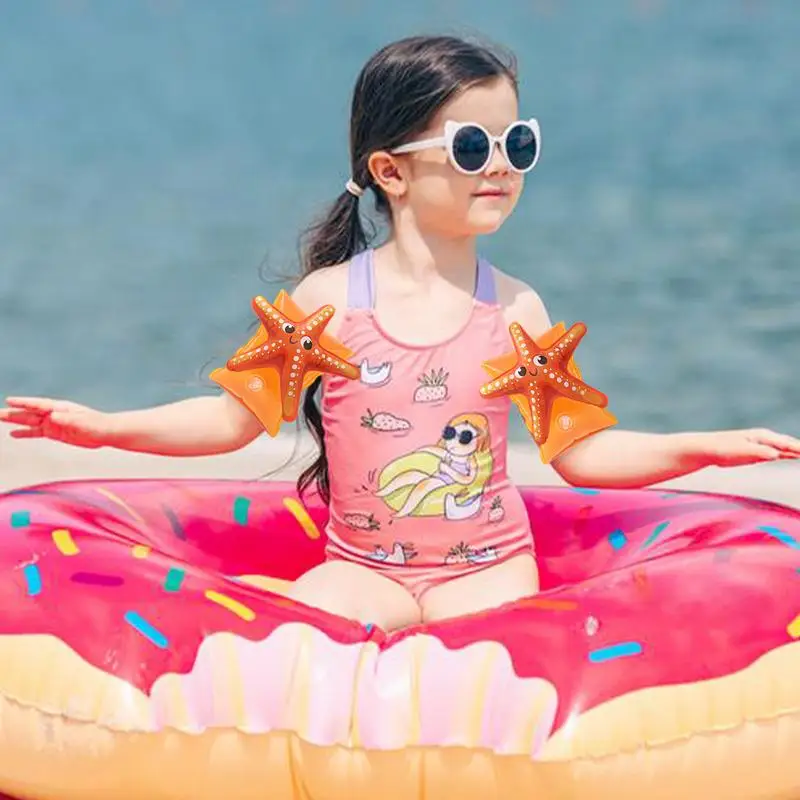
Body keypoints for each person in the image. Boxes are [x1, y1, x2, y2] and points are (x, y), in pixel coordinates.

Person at [2, 35, 799, 633]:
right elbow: (228, 421)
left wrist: (707, 445)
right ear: (391, 172)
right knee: (278, 654)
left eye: (518, 144)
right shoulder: (327, 303)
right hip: (361, 573)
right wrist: (103, 430)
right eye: (473, 146)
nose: (503, 167)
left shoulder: (518, 311)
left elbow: (580, 452)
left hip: (487, 572)